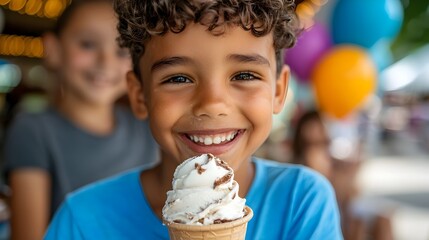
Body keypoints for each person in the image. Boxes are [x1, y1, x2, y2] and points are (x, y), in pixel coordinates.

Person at [44, 0, 343, 239]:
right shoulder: (82, 221)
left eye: (244, 75)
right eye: (178, 78)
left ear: (278, 91)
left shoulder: (300, 201)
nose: (212, 104)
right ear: (139, 96)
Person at [2, 0, 159, 239]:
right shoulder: (33, 130)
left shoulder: (147, 130)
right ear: (53, 49)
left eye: (120, 50)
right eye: (87, 45)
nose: (105, 61)